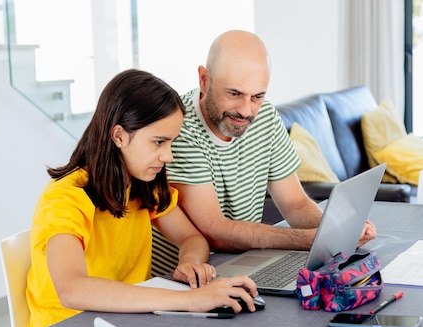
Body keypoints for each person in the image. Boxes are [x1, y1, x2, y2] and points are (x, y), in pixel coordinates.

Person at [25, 69, 258, 327]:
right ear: (119, 136)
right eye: (159, 142)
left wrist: (190, 262)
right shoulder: (65, 197)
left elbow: (191, 237)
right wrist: (188, 300)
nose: (168, 155)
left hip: (124, 323)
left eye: (171, 142)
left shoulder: (139, 185)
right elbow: (72, 289)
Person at [152, 30, 376, 275]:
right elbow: (214, 232)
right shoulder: (179, 128)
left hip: (242, 267)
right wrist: (310, 240)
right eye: (234, 94)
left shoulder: (266, 117)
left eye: (257, 96)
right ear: (204, 80)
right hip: (182, 278)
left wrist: (336, 230)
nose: (246, 111)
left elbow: (296, 204)